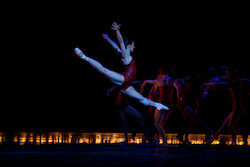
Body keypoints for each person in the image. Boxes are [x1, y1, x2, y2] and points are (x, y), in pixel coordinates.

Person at [74, 22, 168, 111]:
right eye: (133, 45)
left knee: (142, 99)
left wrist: (107, 39)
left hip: (127, 85)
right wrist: (117, 30)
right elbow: (121, 42)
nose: (134, 47)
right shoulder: (126, 56)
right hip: (124, 78)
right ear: (129, 46)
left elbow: (116, 47)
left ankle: (158, 105)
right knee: (104, 70)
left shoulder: (125, 56)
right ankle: (84, 57)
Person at [141, 71, 181, 145]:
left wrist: (142, 89)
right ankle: (158, 138)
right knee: (161, 123)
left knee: (157, 123)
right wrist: (179, 101)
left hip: (162, 103)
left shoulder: (159, 81)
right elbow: (178, 89)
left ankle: (164, 141)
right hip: (170, 104)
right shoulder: (172, 81)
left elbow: (146, 81)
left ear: (162, 74)